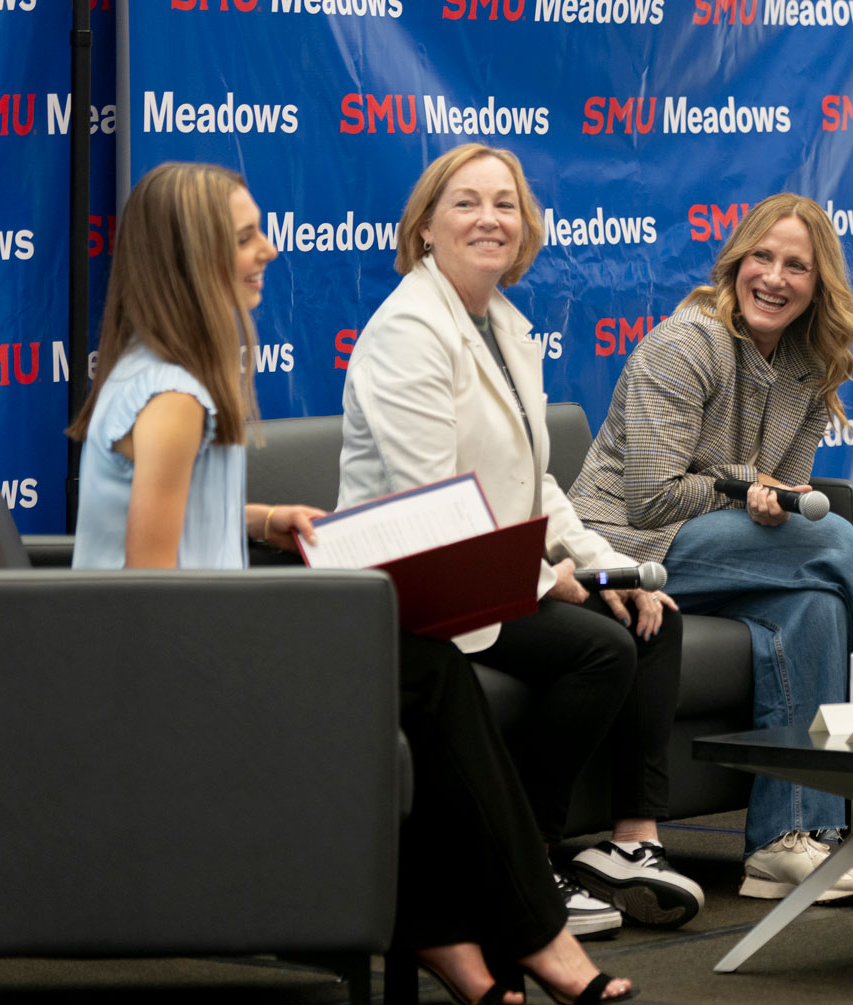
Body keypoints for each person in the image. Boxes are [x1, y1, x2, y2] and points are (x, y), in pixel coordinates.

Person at [69, 162, 637, 1005]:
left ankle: (447, 928)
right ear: (192, 258)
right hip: (167, 667)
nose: (268, 251)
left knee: (423, 665)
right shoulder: (177, 395)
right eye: (245, 238)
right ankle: (530, 931)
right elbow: (152, 591)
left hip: (180, 643)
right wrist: (276, 624)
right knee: (430, 674)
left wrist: (261, 519)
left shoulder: (152, 372)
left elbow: (156, 512)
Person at [337, 143, 702, 934]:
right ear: (425, 226)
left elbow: (532, 482)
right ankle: (524, 864)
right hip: (421, 580)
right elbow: (432, 499)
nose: (490, 219)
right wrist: (545, 581)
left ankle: (627, 845)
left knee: (653, 614)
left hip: (490, 570)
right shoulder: (408, 330)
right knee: (599, 648)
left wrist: (607, 566)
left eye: (505, 204)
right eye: (466, 203)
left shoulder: (502, 324)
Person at [568, 193, 853, 902]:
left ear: (818, 284)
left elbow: (788, 501)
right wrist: (746, 484)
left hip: (712, 545)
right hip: (623, 543)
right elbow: (649, 498)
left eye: (796, 266)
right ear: (735, 263)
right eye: (762, 258)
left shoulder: (812, 364)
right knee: (834, 536)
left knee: (815, 602)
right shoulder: (685, 345)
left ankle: (785, 842)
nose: (774, 278)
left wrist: (765, 494)